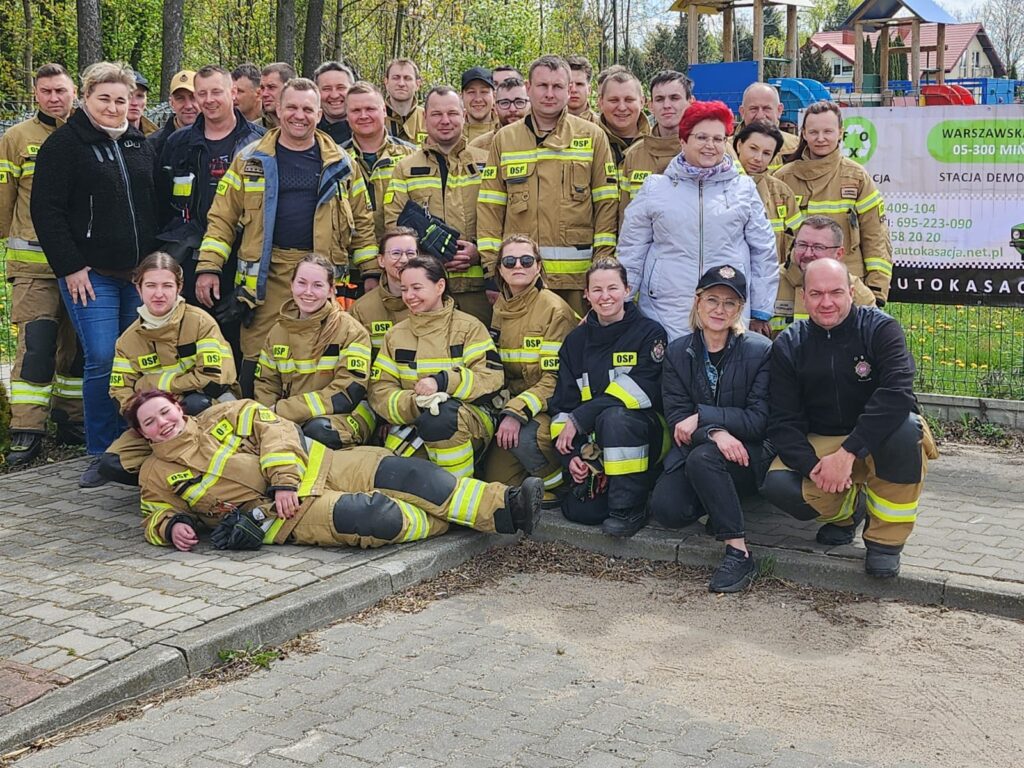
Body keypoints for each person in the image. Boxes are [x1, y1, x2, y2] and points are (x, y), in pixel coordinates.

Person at [130, 390, 543, 551]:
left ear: (178, 408)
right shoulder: (154, 472)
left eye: (165, 412)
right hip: (286, 517)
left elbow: (276, 431)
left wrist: (283, 481)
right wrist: (171, 528)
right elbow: (155, 513)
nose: (162, 422)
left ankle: (507, 507)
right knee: (376, 516)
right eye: (150, 422)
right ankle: (460, 521)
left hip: (317, 466)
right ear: (143, 433)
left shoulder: (225, 413)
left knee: (410, 475)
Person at [196, 77, 377, 397]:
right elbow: (222, 217)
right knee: (257, 354)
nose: (299, 115)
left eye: (308, 109)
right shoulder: (250, 159)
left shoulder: (342, 163)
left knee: (320, 354)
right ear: (277, 110)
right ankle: (255, 427)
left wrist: (373, 273)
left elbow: (362, 223)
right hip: (267, 277)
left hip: (322, 277)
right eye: (291, 107)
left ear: (319, 114)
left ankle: (305, 429)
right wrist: (209, 266)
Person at [760, 260, 937, 578]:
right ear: (803, 295)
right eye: (816, 293)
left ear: (852, 292)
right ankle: (846, 514)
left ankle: (885, 542)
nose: (826, 302)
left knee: (905, 431)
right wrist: (815, 467)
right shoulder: (789, 344)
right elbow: (784, 421)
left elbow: (897, 395)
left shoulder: (881, 329)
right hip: (825, 438)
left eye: (835, 292)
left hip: (880, 434)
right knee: (779, 485)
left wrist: (848, 453)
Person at [30, 61, 159, 487]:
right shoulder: (65, 146)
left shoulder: (140, 144)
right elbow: (45, 212)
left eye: (121, 100)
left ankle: (133, 445)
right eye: (104, 98)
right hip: (92, 275)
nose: (114, 107)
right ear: (86, 99)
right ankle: (102, 451)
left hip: (137, 276)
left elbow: (151, 206)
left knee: (134, 361)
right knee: (103, 357)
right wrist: (70, 266)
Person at [650, 265, 773, 593]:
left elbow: (759, 419)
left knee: (705, 458)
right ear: (697, 302)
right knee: (668, 509)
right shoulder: (677, 352)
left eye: (730, 303)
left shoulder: (760, 351)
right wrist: (716, 431)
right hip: (700, 451)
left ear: (740, 310)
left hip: (747, 454)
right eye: (712, 300)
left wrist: (703, 416)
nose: (720, 310)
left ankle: (738, 551)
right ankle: (718, 503)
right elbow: (678, 420)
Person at [617, 100, 778, 342]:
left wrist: (761, 310)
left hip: (729, 307)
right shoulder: (655, 188)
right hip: (666, 309)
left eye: (718, 139)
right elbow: (632, 250)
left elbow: (763, 251)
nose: (709, 146)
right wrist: (624, 303)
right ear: (683, 141)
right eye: (701, 137)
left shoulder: (743, 189)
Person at [477, 54, 618, 316]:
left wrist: (601, 272)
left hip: (577, 282)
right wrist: (491, 271)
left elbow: (607, 206)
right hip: (520, 278)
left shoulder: (592, 136)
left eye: (557, 87)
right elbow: (490, 208)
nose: (549, 94)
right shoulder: (505, 139)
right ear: (528, 88)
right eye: (542, 86)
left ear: (569, 90)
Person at [0, 63, 85, 466]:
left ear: (75, 92)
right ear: (36, 94)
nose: (55, 98)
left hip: (83, 266)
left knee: (78, 350)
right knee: (37, 348)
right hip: (34, 267)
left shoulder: (88, 132)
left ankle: (70, 420)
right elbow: (4, 199)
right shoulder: (17, 139)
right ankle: (27, 430)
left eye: (61, 91)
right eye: (47, 91)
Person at [550, 258, 667, 537]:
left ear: (627, 290)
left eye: (613, 288)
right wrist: (574, 457)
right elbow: (562, 407)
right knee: (582, 513)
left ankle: (630, 507)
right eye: (597, 290)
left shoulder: (650, 334)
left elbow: (642, 388)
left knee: (614, 417)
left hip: (646, 436)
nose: (605, 297)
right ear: (586, 295)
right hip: (596, 444)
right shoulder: (575, 342)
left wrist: (582, 417)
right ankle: (611, 487)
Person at [156, 64, 264, 361]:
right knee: (192, 344)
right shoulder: (178, 143)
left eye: (216, 91)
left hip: (243, 260)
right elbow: (163, 203)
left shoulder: (260, 144)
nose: (209, 99)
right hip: (189, 259)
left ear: (233, 93)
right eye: (201, 93)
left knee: (240, 345)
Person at [101, 252, 237, 484]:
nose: (159, 293)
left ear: (179, 288)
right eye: (151, 285)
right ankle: (169, 477)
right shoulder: (127, 340)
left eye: (167, 285)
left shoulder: (200, 323)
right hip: (157, 422)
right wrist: (148, 418)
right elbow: (120, 392)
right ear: (138, 289)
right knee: (112, 463)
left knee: (195, 403)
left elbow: (213, 380)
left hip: (208, 410)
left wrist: (149, 385)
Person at [369, 256, 503, 478]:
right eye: (404, 289)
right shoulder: (395, 335)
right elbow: (380, 390)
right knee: (401, 480)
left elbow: (490, 378)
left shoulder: (469, 327)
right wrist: (415, 403)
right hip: (413, 424)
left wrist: (442, 383)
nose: (409, 296)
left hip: (467, 421)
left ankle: (459, 493)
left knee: (441, 418)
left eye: (416, 288)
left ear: (440, 286)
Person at [384, 86, 491, 325]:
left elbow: (501, 219)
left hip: (478, 290)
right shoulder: (405, 169)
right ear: (425, 117)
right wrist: (430, 257)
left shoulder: (487, 161)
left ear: (463, 115)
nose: (445, 121)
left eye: (452, 113)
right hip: (425, 289)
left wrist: (478, 252)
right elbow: (393, 226)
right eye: (436, 114)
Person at [775, 100, 893, 306]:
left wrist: (877, 288)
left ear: (840, 133)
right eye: (813, 132)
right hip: (793, 283)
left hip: (846, 283)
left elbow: (876, 235)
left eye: (828, 132)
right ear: (803, 134)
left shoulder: (856, 177)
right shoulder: (784, 178)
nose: (820, 139)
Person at [483, 236, 577, 492]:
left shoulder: (554, 310)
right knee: (497, 482)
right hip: (513, 405)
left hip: (548, 407)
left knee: (524, 439)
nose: (518, 266)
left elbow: (554, 378)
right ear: (500, 270)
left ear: (538, 266)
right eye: (509, 261)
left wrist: (515, 412)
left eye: (526, 260)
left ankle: (558, 485)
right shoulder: (501, 306)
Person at [254, 254, 375, 449]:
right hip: (288, 415)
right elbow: (266, 383)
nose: (308, 292)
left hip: (344, 416)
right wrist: (269, 417)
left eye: (318, 285)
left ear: (331, 290)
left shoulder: (351, 331)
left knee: (316, 431)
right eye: (302, 283)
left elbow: (346, 393)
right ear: (291, 285)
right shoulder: (278, 331)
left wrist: (283, 411)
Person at [340, 81, 416, 279]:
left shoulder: (412, 156)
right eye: (356, 110)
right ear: (347, 115)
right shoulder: (335, 159)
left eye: (370, 109)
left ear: (384, 111)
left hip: (405, 265)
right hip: (351, 266)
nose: (363, 115)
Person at [773, 216, 876, 331]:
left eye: (818, 247)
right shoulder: (770, 282)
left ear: (838, 253)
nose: (807, 254)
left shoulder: (859, 295)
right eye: (802, 245)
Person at [732, 121, 801, 288]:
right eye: (753, 148)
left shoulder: (782, 193)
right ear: (739, 145)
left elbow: (799, 240)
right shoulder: (717, 185)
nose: (758, 158)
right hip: (726, 281)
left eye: (766, 153)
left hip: (770, 283)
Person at [618, 70, 693, 224]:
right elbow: (624, 217)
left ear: (691, 102)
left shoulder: (713, 149)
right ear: (650, 106)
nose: (667, 105)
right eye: (659, 99)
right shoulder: (634, 155)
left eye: (674, 98)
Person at [349, 227, 415, 356]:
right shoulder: (361, 310)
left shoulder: (435, 303)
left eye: (410, 253)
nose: (404, 260)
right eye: (396, 253)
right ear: (381, 260)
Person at [730, 82, 800, 173]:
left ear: (779, 110)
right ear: (742, 112)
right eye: (753, 109)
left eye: (766, 108)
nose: (760, 116)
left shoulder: (796, 147)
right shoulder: (726, 149)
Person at [596, 66, 649, 169]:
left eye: (629, 100)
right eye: (614, 100)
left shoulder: (657, 142)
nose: (622, 107)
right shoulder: (589, 140)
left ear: (642, 102)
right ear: (601, 103)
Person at [468, 76, 530, 155]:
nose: (512, 109)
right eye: (504, 103)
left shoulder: (545, 141)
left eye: (519, 102)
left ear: (530, 104)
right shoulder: (478, 147)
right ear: (495, 107)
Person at [148, 70, 199, 162]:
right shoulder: (153, 145)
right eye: (180, 98)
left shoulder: (217, 140)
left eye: (193, 97)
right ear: (171, 103)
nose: (188, 106)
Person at [384, 58, 426, 145]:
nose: (401, 84)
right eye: (396, 78)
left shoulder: (428, 119)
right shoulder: (374, 118)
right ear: (386, 82)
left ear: (417, 84)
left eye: (407, 78)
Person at [314, 61, 354, 145]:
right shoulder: (307, 131)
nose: (334, 95)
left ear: (352, 90)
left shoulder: (368, 129)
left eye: (341, 88)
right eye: (326, 89)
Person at [461, 66, 498, 143]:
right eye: (471, 92)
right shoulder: (452, 133)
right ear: (461, 97)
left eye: (484, 92)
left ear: (494, 96)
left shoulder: (504, 131)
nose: (478, 99)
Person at [258, 62, 297, 129]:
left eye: (271, 87)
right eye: (262, 88)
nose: (264, 94)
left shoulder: (305, 124)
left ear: (288, 88)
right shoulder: (253, 132)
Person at [565, 55, 597, 122]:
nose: (573, 90)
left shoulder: (601, 127)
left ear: (589, 90)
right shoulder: (546, 124)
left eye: (579, 84)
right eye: (569, 84)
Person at [128, 71, 158, 136]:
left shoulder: (157, 138)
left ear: (146, 100)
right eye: (128, 96)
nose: (134, 103)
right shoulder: (105, 138)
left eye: (139, 96)